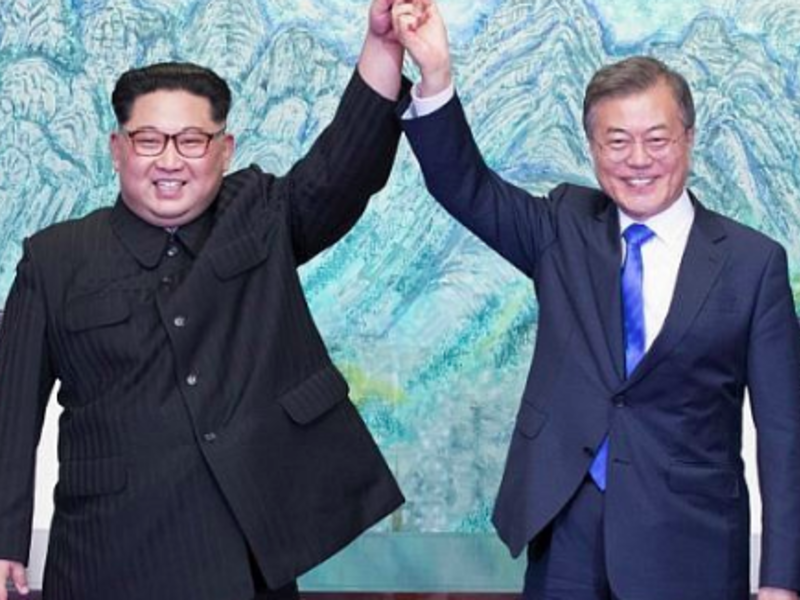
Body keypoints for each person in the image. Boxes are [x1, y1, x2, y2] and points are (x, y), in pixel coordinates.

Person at [0, 2, 410, 598]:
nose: (170, 160)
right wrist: (4, 540)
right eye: (148, 140)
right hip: (101, 553)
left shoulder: (261, 216)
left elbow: (344, 167)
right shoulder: (54, 258)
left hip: (242, 553)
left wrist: (385, 47)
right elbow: (10, 413)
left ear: (224, 149)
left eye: (192, 140)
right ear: (117, 149)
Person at [391, 1, 800, 599]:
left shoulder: (753, 264)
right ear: (591, 147)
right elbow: (465, 186)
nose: (638, 160)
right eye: (617, 141)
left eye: (657, 139)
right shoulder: (564, 226)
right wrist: (435, 75)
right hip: (568, 538)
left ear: (688, 138)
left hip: (692, 546)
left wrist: (782, 581)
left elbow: (785, 434)